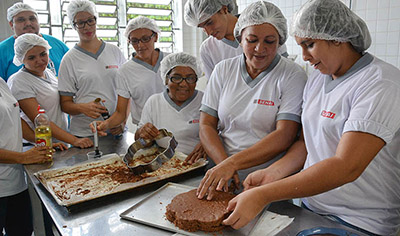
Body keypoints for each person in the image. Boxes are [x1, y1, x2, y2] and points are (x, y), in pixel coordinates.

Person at [222, 0, 400, 235]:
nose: (304, 56)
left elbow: (346, 166)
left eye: (310, 45)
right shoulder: (318, 77)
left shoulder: (380, 83)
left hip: (361, 220)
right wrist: (272, 174)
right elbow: (306, 144)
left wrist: (265, 194)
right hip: (310, 207)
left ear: (337, 38)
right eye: (300, 46)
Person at [196, 1, 307, 200]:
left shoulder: (292, 75)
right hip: (221, 178)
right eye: (252, 40)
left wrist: (232, 164)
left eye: (270, 41)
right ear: (240, 39)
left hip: (269, 180)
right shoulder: (223, 70)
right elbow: (206, 124)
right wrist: (224, 166)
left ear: (280, 42)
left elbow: (286, 134)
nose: (259, 49)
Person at [7, 33, 93, 149]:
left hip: (59, 141)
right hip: (38, 144)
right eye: (32, 58)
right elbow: (39, 119)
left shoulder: (48, 73)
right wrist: (75, 140)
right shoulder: (19, 81)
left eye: (43, 54)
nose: (40, 61)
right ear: (21, 59)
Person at [58, 0, 126, 137]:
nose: (86, 27)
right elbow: (65, 104)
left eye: (90, 20)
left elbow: (126, 93)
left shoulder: (114, 51)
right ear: (73, 25)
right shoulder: (69, 59)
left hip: (115, 129)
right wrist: (82, 108)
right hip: (85, 133)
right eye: (80, 23)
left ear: (96, 20)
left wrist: (122, 120)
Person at [90, 16, 169, 133]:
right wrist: (104, 125)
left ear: (155, 37)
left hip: (175, 125)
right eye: (134, 41)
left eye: (145, 39)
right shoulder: (125, 71)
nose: (140, 45)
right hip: (145, 131)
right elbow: (120, 113)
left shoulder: (171, 61)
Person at [0, 78, 53, 236]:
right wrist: (22, 157)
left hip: (15, 181)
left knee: (22, 231)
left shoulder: (1, 82)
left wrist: (41, 141)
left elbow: (14, 118)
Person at [184, 0, 288, 80]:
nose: (208, 32)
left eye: (209, 22)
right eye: (201, 27)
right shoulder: (207, 48)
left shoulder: (263, 31)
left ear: (224, 9)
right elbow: (214, 88)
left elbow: (284, 73)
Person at [135, 52, 206, 163]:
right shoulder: (154, 102)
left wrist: (207, 142)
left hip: (198, 165)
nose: (183, 84)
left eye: (190, 78)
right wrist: (143, 133)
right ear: (166, 79)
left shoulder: (205, 101)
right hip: (163, 166)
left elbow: (220, 132)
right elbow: (141, 142)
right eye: (176, 78)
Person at [0, 2, 69, 81]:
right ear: (11, 24)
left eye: (32, 18)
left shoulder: (57, 44)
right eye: (21, 20)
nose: (28, 23)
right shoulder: (2, 50)